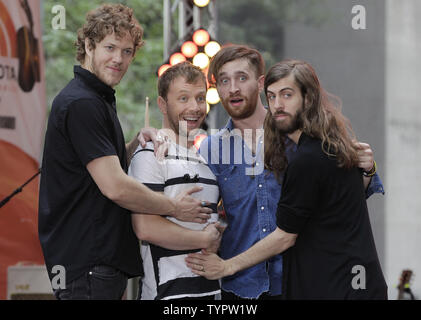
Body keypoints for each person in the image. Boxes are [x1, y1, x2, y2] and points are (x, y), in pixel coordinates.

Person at [139, 44, 384, 300]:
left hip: (298, 280)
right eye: (224, 80)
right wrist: (153, 135)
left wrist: (368, 170)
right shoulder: (210, 148)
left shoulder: (298, 135)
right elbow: (203, 203)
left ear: (260, 83)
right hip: (239, 287)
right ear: (217, 88)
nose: (233, 88)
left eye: (242, 78)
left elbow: (344, 198)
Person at [38, 4, 212, 300]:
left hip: (94, 263)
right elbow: (115, 187)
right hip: (90, 263)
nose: (119, 59)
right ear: (89, 46)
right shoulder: (83, 103)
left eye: (127, 51)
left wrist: (131, 145)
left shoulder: (95, 98)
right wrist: (173, 207)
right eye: (110, 47)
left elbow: (95, 172)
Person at [129, 62, 224, 300]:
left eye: (200, 98)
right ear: (162, 104)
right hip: (166, 294)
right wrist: (205, 239)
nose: (195, 107)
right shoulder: (149, 155)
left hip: (210, 291)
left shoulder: (205, 162)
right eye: (183, 98)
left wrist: (219, 233)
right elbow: (145, 227)